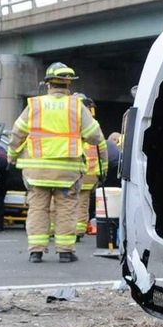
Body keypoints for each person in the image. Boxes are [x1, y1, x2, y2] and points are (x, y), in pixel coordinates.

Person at [7, 62, 102, 263]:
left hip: (37, 171)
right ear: (69, 85)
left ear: (48, 84)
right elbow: (94, 136)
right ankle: (65, 252)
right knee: (66, 209)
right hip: (66, 172)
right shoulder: (76, 106)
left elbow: (17, 133)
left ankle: (36, 252)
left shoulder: (35, 105)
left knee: (37, 209)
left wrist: (11, 155)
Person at [73, 95, 107, 242]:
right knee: (82, 202)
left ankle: (56, 229)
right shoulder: (93, 125)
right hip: (90, 172)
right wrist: (104, 170)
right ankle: (78, 231)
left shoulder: (70, 123)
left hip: (72, 170)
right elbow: (102, 148)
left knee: (63, 202)